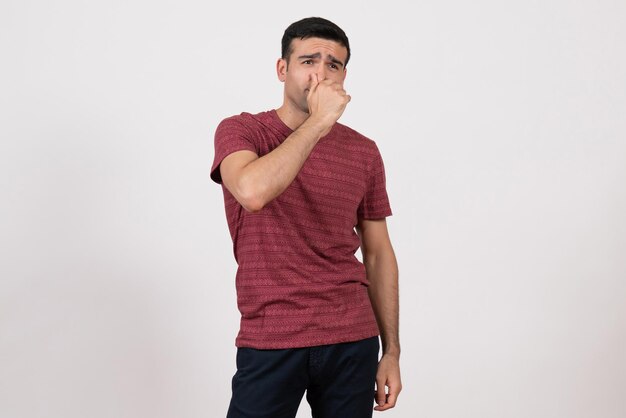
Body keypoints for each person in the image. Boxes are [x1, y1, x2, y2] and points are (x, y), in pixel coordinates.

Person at [210, 17, 401, 418]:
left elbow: (379, 253)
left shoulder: (364, 152)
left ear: (345, 75)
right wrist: (319, 122)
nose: (320, 73)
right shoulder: (243, 131)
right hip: (272, 335)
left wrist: (392, 351)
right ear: (283, 69)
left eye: (333, 65)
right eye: (308, 61)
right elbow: (252, 191)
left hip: (352, 337)